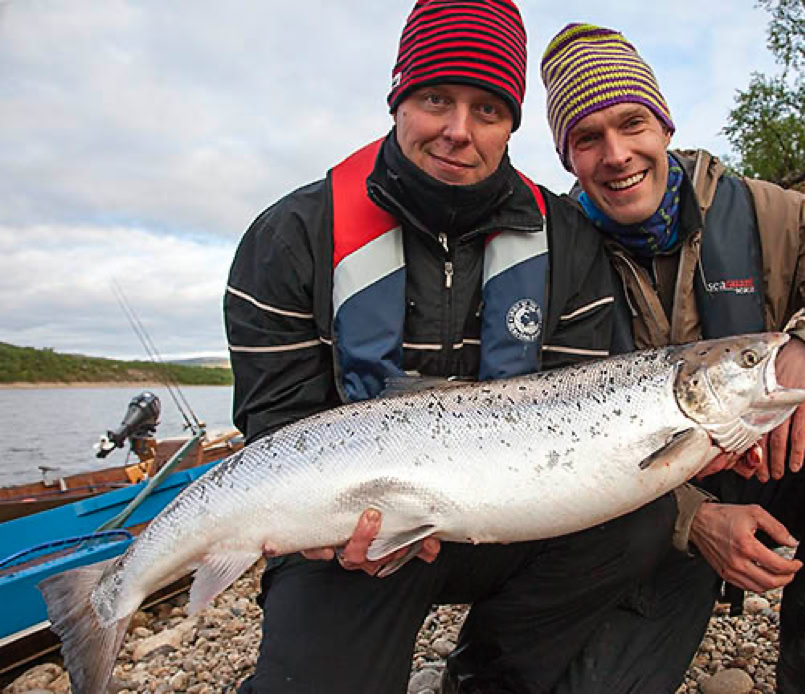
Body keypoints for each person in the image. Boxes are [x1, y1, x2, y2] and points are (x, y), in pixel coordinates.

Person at [223, 4, 697, 692]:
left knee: (637, 519)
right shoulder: (291, 234)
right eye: (435, 98)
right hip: (344, 531)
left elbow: (584, 410)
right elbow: (274, 424)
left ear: (512, 123)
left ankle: (486, 677)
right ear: (398, 100)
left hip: (508, 518)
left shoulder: (568, 241)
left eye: (487, 109)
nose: (457, 130)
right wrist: (328, 534)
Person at [533, 23, 805, 693]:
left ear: (664, 124)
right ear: (568, 158)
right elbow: (543, 449)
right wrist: (693, 520)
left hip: (767, 459)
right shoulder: (545, 261)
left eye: (631, 123)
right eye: (588, 138)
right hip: (640, 515)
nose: (616, 154)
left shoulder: (765, 212)